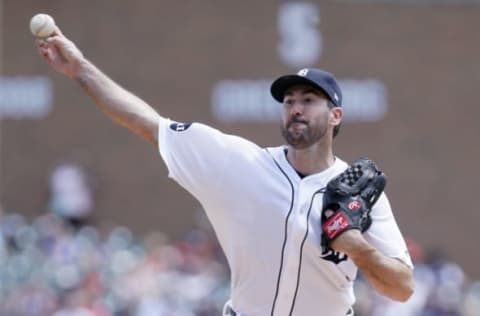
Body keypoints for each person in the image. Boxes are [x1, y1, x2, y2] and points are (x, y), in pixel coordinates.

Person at [35, 26, 414, 316]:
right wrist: (78, 69)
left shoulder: (360, 193)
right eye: (289, 100)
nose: (295, 107)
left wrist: (353, 245)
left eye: (309, 100)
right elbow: (146, 123)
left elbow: (401, 287)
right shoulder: (241, 164)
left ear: (335, 115)